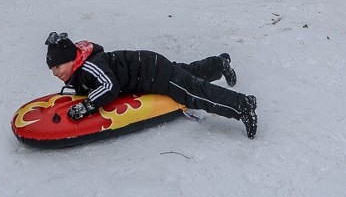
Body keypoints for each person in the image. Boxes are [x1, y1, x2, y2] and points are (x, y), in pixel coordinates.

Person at [44, 32, 258, 139]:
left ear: (73, 60)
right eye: (52, 69)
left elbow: (110, 87)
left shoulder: (90, 66)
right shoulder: (81, 68)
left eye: (58, 67)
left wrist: (88, 105)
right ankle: (218, 64)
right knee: (187, 74)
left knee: (192, 92)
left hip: (152, 73)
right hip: (150, 66)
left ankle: (242, 105)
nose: (55, 73)